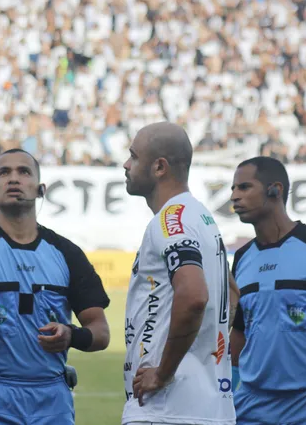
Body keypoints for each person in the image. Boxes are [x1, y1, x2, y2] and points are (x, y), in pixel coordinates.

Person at [0, 148, 110, 425]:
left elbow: (101, 332)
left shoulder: (68, 253)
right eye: (4, 173)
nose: (13, 179)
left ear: (40, 189)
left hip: (52, 398)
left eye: (24, 172)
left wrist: (71, 335)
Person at [121, 122, 236, 425]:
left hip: (166, 410)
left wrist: (162, 373)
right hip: (208, 408)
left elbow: (194, 296)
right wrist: (208, 353)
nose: (126, 164)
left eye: (133, 156)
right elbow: (231, 293)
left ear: (159, 167)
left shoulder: (170, 220)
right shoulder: (201, 217)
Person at [229, 156, 306, 425]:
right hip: (250, 408)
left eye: (244, 187)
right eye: (233, 189)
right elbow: (239, 331)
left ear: (276, 189)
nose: (235, 196)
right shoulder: (242, 257)